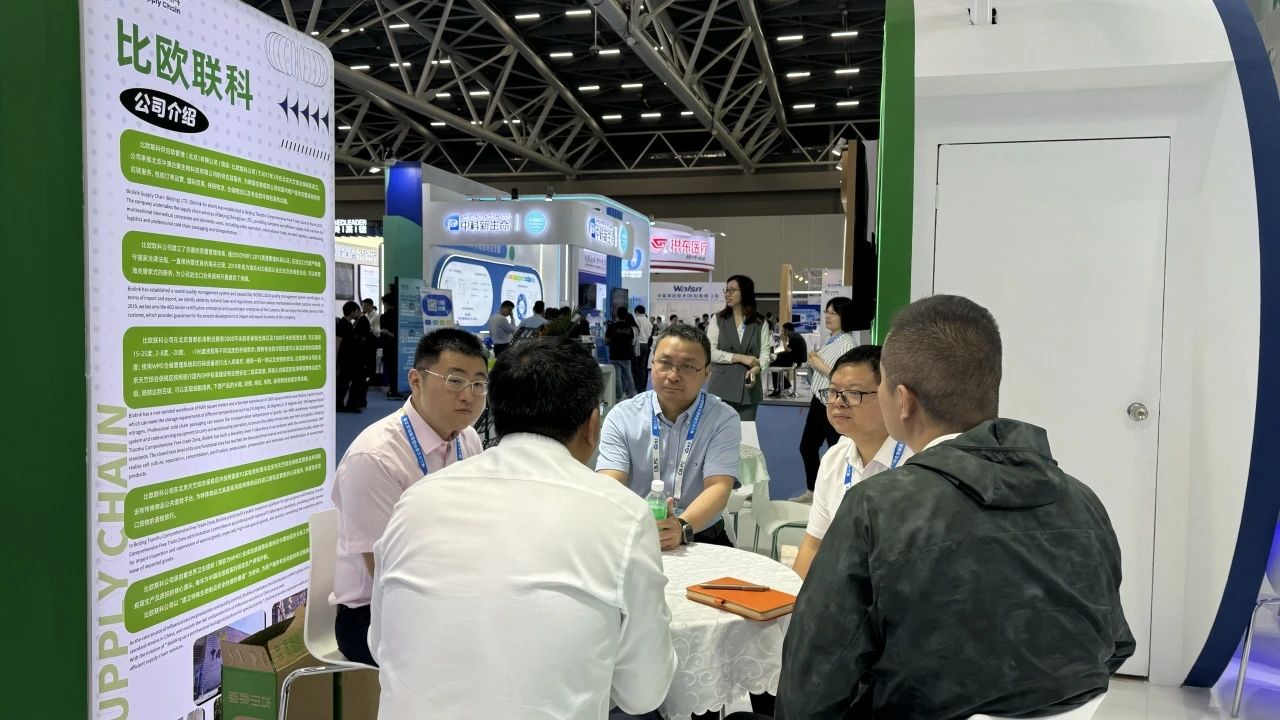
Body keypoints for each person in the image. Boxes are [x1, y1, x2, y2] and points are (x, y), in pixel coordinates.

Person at [768, 295, 1134, 719]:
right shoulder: (1083, 500)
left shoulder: (876, 506)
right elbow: (1115, 644)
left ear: (903, 401)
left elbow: (809, 690)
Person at [370, 338, 676, 718]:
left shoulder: (416, 500)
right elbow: (644, 693)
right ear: (593, 425)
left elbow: (380, 643)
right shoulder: (622, 515)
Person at [330, 328, 489, 666]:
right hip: (375, 612)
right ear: (416, 381)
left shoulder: (468, 439)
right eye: (455, 381)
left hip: (447, 588)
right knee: (483, 655)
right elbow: (385, 572)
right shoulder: (375, 457)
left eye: (478, 384)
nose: (469, 395)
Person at [597, 323, 740, 550]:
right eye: (664, 363)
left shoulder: (722, 418)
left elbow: (719, 487)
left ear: (706, 372)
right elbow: (610, 483)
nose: (673, 376)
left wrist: (681, 527)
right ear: (652, 364)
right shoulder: (623, 416)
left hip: (699, 535)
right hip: (635, 534)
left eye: (688, 366)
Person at [790, 346, 912, 579]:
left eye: (854, 393)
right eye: (833, 392)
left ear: (892, 396)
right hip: (842, 589)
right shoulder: (834, 459)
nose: (838, 402)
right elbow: (813, 544)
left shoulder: (916, 461)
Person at [792, 297, 858, 502]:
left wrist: (820, 365)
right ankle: (814, 491)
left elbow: (846, 378)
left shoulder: (847, 344)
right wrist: (814, 363)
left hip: (834, 403)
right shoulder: (831, 339)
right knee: (807, 447)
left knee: (836, 451)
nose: (828, 316)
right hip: (819, 400)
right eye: (827, 312)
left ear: (844, 316)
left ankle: (836, 496)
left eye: (833, 313)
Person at [707, 275, 770, 421]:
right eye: (726, 290)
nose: (727, 294)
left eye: (732, 290)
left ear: (745, 292)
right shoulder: (718, 319)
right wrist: (741, 358)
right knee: (718, 432)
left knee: (745, 432)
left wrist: (757, 369)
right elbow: (710, 351)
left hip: (748, 391)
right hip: (720, 388)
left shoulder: (760, 322)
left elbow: (765, 354)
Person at [336, 301, 370, 413]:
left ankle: (343, 404)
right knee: (345, 382)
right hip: (346, 359)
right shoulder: (343, 324)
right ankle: (347, 404)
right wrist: (336, 360)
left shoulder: (348, 324)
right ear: (352, 311)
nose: (358, 312)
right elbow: (338, 342)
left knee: (345, 382)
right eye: (356, 310)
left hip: (349, 359)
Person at [605, 306, 638, 400]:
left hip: (614, 354)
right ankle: (632, 394)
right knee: (628, 375)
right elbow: (632, 341)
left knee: (617, 376)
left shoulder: (611, 327)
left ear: (617, 315)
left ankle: (618, 395)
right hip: (626, 355)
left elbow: (606, 340)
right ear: (626, 315)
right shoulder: (630, 328)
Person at [767, 322, 807, 397]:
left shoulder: (794, 337)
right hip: (795, 359)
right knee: (777, 359)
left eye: (783, 330)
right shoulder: (795, 336)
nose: (782, 332)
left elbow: (788, 350)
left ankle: (777, 389)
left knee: (774, 366)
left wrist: (783, 340)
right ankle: (785, 385)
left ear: (787, 330)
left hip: (796, 360)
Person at [632, 305, 654, 393]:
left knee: (636, 367)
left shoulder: (637, 320)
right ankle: (642, 386)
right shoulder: (649, 321)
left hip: (638, 345)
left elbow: (635, 333)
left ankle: (637, 386)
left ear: (637, 311)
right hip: (646, 345)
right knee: (643, 367)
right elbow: (650, 334)